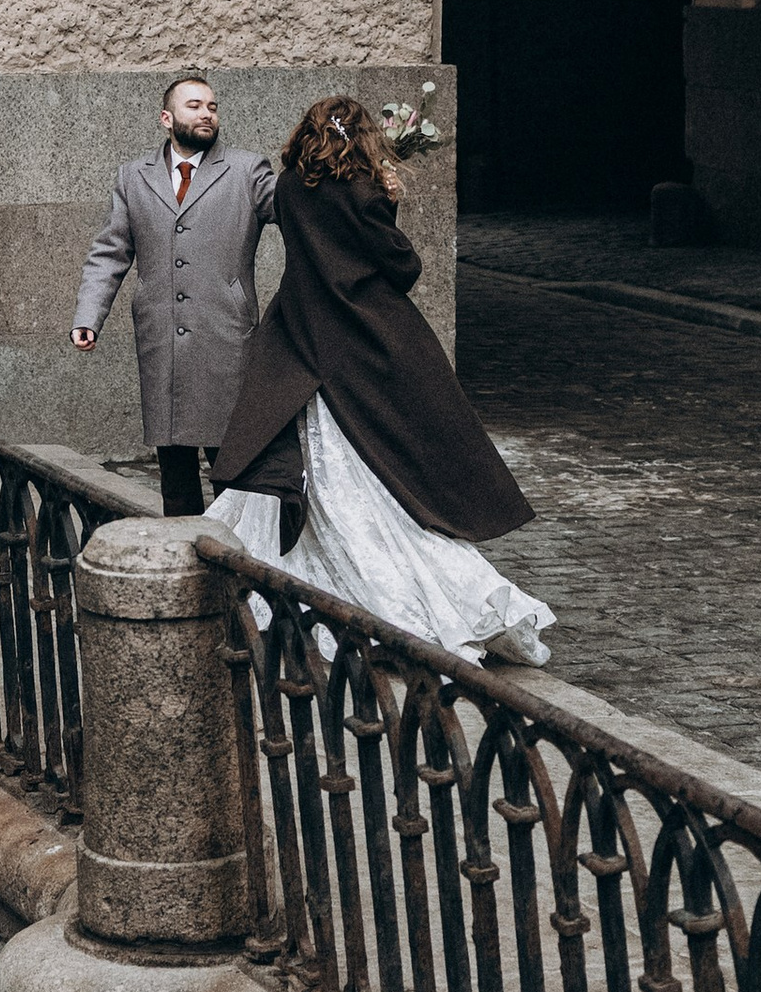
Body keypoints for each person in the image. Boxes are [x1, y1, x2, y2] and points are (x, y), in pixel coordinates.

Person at [206, 94, 555, 667]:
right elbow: (402, 267)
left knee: (324, 467)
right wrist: (387, 202)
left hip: (302, 336)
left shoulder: (289, 188)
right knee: (382, 468)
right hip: (362, 336)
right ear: (363, 136)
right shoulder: (364, 192)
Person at [72, 74, 276, 517]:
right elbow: (110, 251)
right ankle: (181, 550)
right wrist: (88, 317)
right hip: (161, 339)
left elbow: (294, 209)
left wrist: (353, 185)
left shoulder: (247, 170)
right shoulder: (133, 176)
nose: (206, 114)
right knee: (175, 473)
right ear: (167, 118)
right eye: (194, 106)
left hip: (225, 335)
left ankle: (239, 552)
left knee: (233, 471)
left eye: (212, 107)